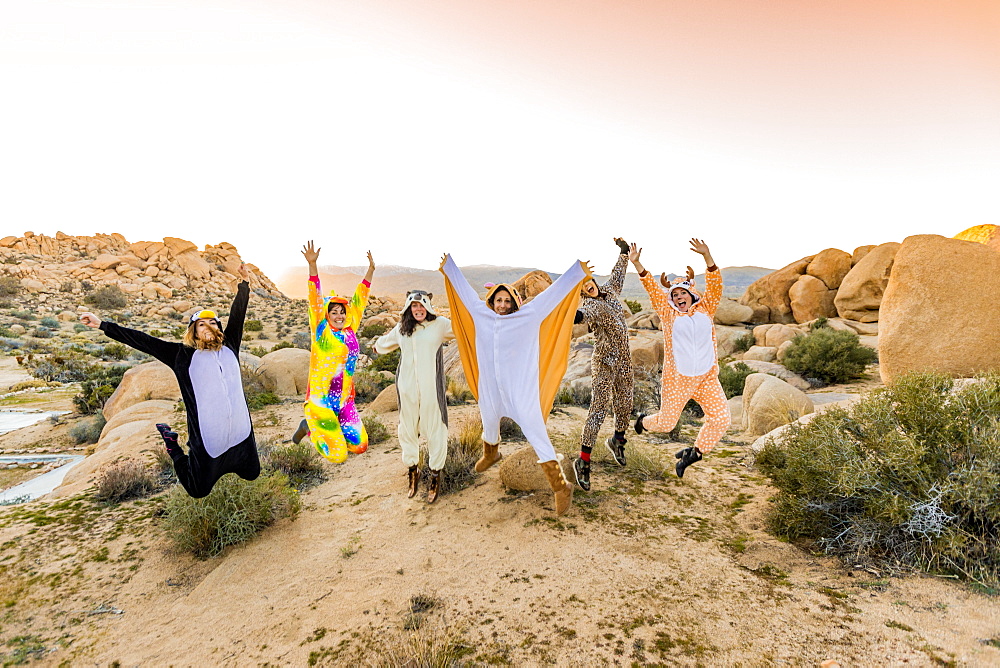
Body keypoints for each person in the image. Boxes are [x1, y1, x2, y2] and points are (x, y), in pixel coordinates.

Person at [80, 265, 260, 498]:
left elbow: (238, 313)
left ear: (220, 328)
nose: (208, 327)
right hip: (208, 438)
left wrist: (244, 284)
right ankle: (171, 444)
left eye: (213, 323)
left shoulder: (230, 346)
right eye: (201, 325)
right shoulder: (181, 355)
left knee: (253, 473)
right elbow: (142, 340)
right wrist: (103, 325)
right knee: (198, 490)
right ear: (193, 332)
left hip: (241, 433)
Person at [440, 253, 592, 515]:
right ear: (492, 301)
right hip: (491, 387)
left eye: (507, 300)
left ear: (515, 303)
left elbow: (552, 294)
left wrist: (577, 272)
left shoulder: (529, 315)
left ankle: (560, 486)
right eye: (498, 300)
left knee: (536, 433)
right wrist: (449, 267)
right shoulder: (481, 314)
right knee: (488, 417)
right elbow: (464, 291)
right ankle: (491, 453)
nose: (502, 304)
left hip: (521, 391)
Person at [629, 238, 730, 477]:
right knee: (666, 424)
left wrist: (707, 256)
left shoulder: (706, 308)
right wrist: (638, 264)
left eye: (683, 293)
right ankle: (643, 421)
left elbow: (716, 285)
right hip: (679, 380)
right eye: (674, 295)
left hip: (706, 377)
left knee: (721, 419)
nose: (678, 298)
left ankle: (694, 453)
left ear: (691, 294)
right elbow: (653, 290)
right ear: (671, 300)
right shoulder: (668, 315)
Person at [296, 240, 374, 463]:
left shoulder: (350, 328)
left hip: (344, 402)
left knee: (360, 447)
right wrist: (312, 265)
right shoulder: (321, 330)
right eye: (334, 312)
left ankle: (333, 429)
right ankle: (310, 428)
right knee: (338, 456)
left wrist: (370, 271)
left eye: (342, 311)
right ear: (327, 315)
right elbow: (315, 299)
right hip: (321, 403)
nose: (339, 316)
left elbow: (360, 300)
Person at [372, 290, 454, 503]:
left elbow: (464, 331)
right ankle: (413, 470)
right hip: (406, 387)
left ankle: (435, 475)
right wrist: (374, 346)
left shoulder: (441, 325)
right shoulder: (401, 329)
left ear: (428, 306)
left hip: (431, 389)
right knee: (407, 429)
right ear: (408, 308)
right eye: (413, 306)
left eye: (421, 305)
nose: (418, 309)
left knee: (436, 428)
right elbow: (383, 343)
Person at [571, 237, 634, 491]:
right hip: (604, 363)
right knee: (598, 409)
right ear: (581, 292)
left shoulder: (610, 291)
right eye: (583, 288)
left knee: (625, 403)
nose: (589, 288)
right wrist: (570, 314)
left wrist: (623, 252)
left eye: (590, 283)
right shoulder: (590, 306)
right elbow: (581, 316)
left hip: (624, 362)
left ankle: (618, 440)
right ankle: (583, 461)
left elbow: (619, 273)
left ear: (594, 282)